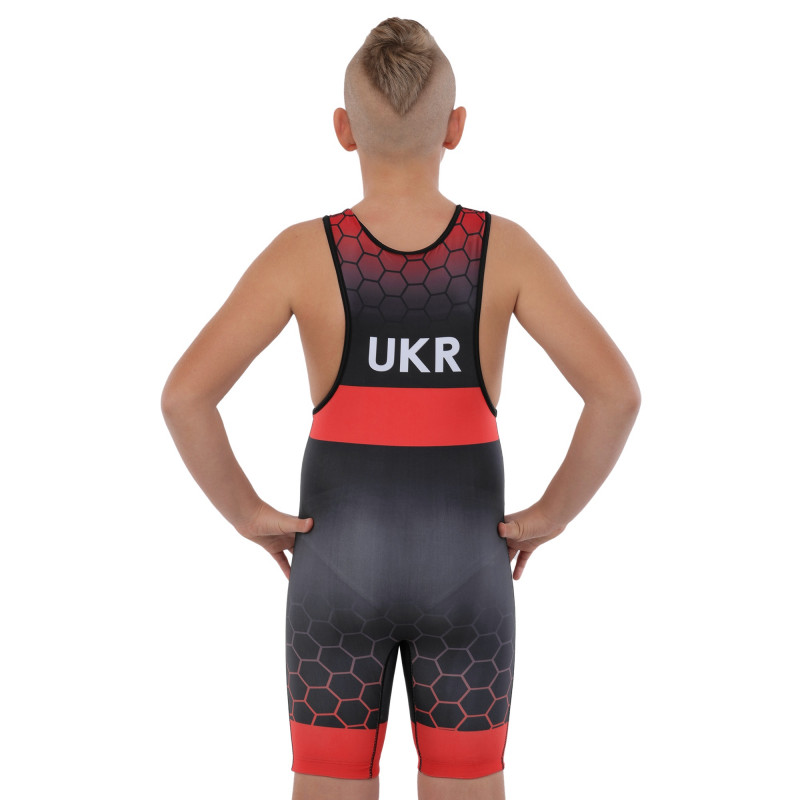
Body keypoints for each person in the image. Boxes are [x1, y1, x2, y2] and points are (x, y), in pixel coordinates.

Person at [161, 17, 641, 800]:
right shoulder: (504, 250)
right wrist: (551, 514)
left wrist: (247, 513)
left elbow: (186, 396)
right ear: (456, 128)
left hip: (335, 570)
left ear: (343, 130)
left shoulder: (301, 254)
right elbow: (615, 393)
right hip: (470, 569)